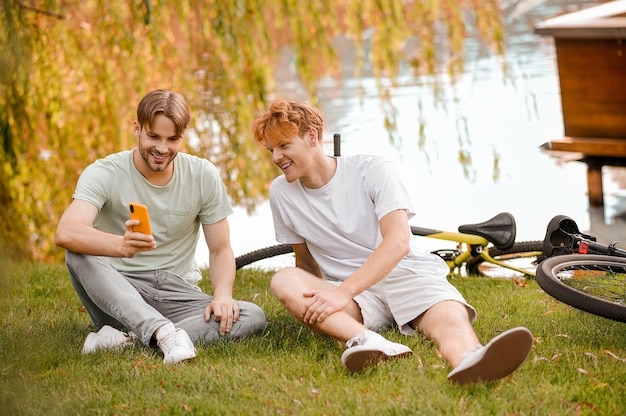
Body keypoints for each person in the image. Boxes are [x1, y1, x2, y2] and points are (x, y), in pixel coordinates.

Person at [250, 99, 533, 384]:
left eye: (284, 145)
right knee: (284, 279)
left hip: (403, 273)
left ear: (312, 136)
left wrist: (342, 293)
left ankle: (469, 359)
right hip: (353, 299)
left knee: (445, 318)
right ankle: (367, 340)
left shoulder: (372, 170)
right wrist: (311, 305)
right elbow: (306, 263)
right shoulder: (281, 193)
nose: (276, 157)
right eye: (271, 150)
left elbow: (398, 242)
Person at [55, 89, 266, 364]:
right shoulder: (104, 172)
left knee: (251, 315)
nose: (162, 148)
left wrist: (223, 295)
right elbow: (66, 231)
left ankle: (129, 340)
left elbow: (220, 249)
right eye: (153, 136)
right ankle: (163, 334)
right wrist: (120, 246)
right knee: (77, 251)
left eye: (172, 139)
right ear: (137, 128)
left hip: (177, 292)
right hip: (119, 289)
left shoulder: (203, 174)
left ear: (183, 137)